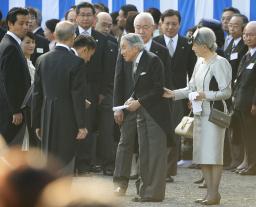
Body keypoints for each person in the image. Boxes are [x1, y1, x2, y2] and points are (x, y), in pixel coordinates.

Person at [164, 27, 232, 205]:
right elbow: (191, 88)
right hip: (200, 112)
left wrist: (205, 95)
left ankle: (213, 194)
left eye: (194, 43)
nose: (191, 47)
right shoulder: (199, 62)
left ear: (203, 44)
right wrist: (173, 94)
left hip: (214, 114)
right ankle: (210, 193)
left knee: (214, 155)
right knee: (203, 155)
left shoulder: (220, 62)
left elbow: (227, 91)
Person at [114, 33, 171, 202]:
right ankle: (144, 191)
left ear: (135, 47)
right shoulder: (133, 62)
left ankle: (154, 193)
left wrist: (139, 102)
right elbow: (140, 87)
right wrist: (132, 98)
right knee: (144, 152)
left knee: (155, 154)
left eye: (124, 48)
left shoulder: (153, 60)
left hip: (155, 115)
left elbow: (158, 88)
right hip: (141, 114)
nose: (121, 52)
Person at [31, 21, 88, 174]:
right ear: (73, 37)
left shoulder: (41, 59)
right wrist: (81, 125)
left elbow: (37, 94)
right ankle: (63, 195)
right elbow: (77, 95)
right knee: (66, 157)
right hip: (68, 116)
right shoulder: (76, 62)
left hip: (46, 115)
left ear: (55, 35)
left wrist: (36, 123)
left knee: (47, 158)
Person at [154, 9, 197, 182]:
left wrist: (190, 97)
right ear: (161, 24)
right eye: (167, 23)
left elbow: (193, 73)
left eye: (174, 24)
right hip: (156, 95)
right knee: (157, 132)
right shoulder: (154, 42)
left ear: (179, 24)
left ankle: (169, 171)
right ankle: (156, 168)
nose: (171, 27)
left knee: (174, 132)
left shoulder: (187, 44)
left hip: (179, 95)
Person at [0, 7, 31, 144]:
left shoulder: (11, 43)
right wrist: (15, 110)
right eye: (21, 23)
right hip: (11, 111)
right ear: (10, 24)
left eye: (27, 23)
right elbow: (8, 81)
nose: (25, 27)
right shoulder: (10, 46)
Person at [224, 14, 248, 171]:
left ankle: (242, 159)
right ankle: (233, 158)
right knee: (230, 125)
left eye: (236, 26)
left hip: (240, 89)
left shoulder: (245, 45)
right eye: (230, 25)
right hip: (229, 88)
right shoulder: (229, 42)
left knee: (240, 127)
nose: (231, 28)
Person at [232, 21, 256, 175]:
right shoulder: (246, 55)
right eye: (246, 34)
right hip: (241, 101)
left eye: (252, 34)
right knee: (245, 135)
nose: (248, 37)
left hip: (251, 104)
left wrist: (255, 102)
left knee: (252, 135)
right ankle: (248, 161)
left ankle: (252, 165)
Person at [20, 31, 39, 149]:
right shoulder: (21, 64)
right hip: (23, 109)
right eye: (27, 42)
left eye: (33, 42)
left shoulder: (32, 63)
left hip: (32, 109)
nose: (31, 45)